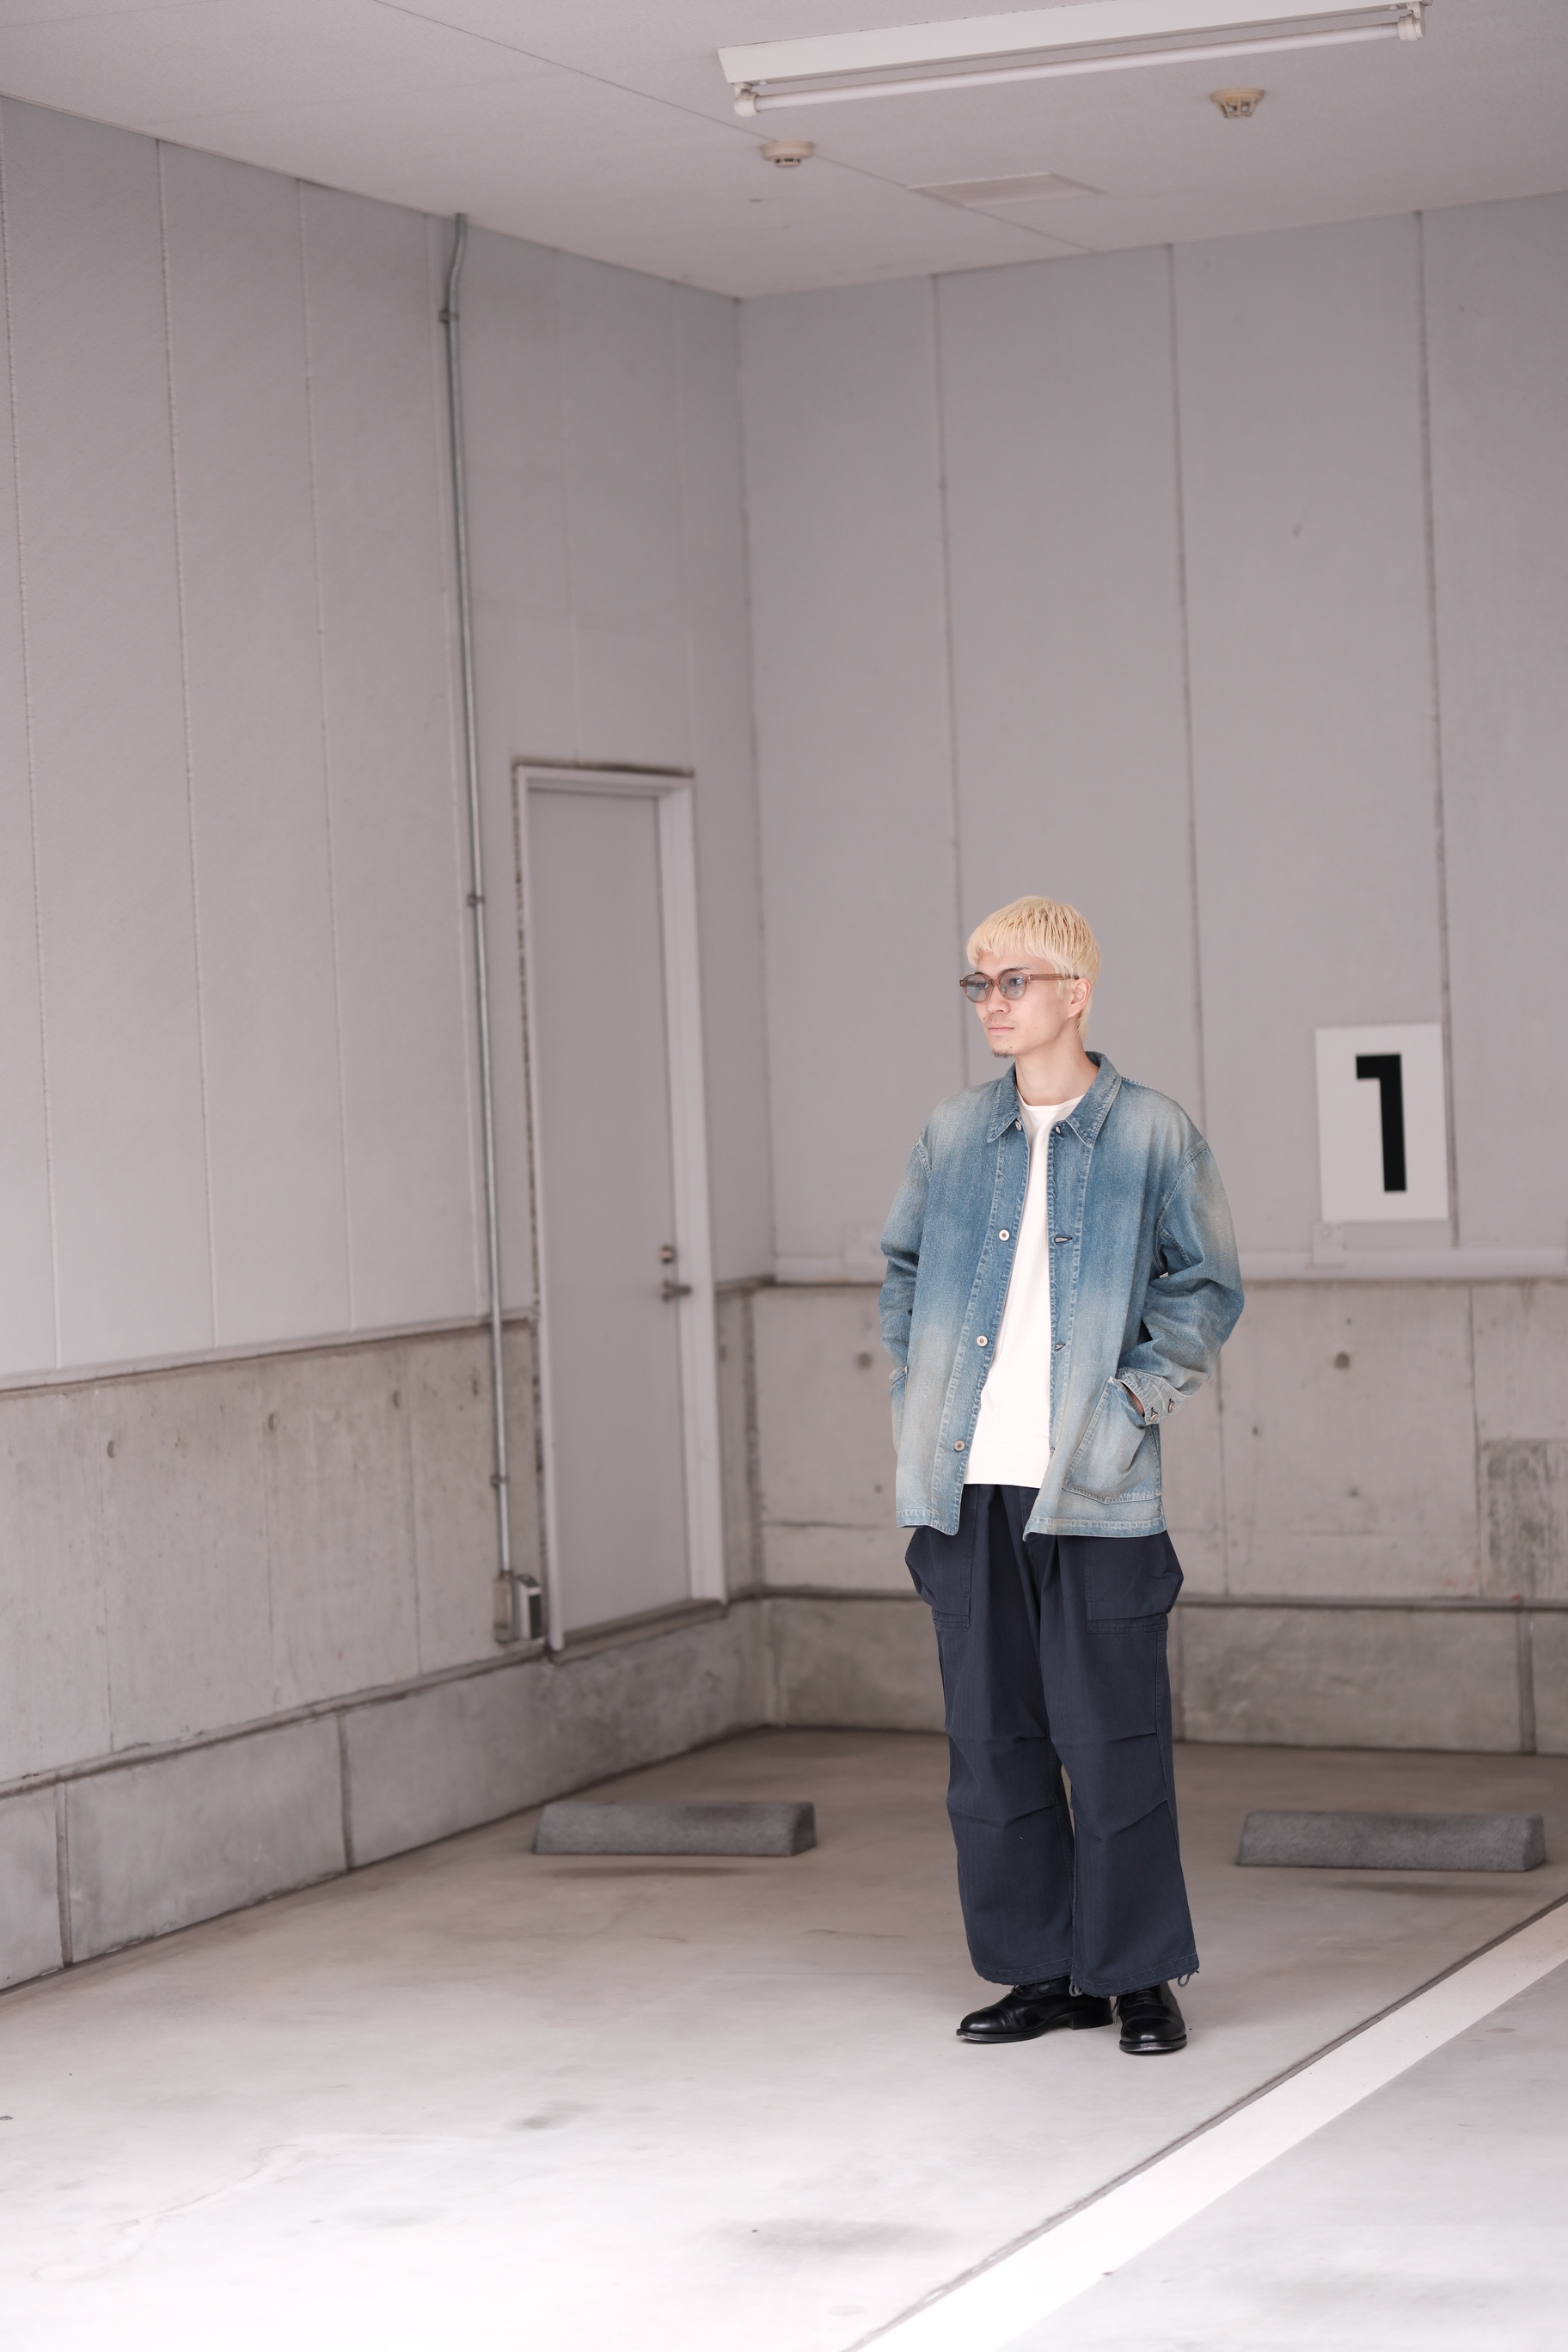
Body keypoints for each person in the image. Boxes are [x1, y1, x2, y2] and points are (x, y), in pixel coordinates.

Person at [879, 897, 1242, 2056]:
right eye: (979, 984)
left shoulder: (1152, 1134)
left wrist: (1135, 1402)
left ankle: (1137, 1978)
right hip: (964, 1494)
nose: (992, 1004)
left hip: (1094, 1491)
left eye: (1014, 982)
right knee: (992, 1752)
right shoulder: (952, 1135)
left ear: (1075, 993)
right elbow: (901, 1273)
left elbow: (1206, 1287)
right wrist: (918, 1392)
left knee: (1114, 1746)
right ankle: (1042, 1974)